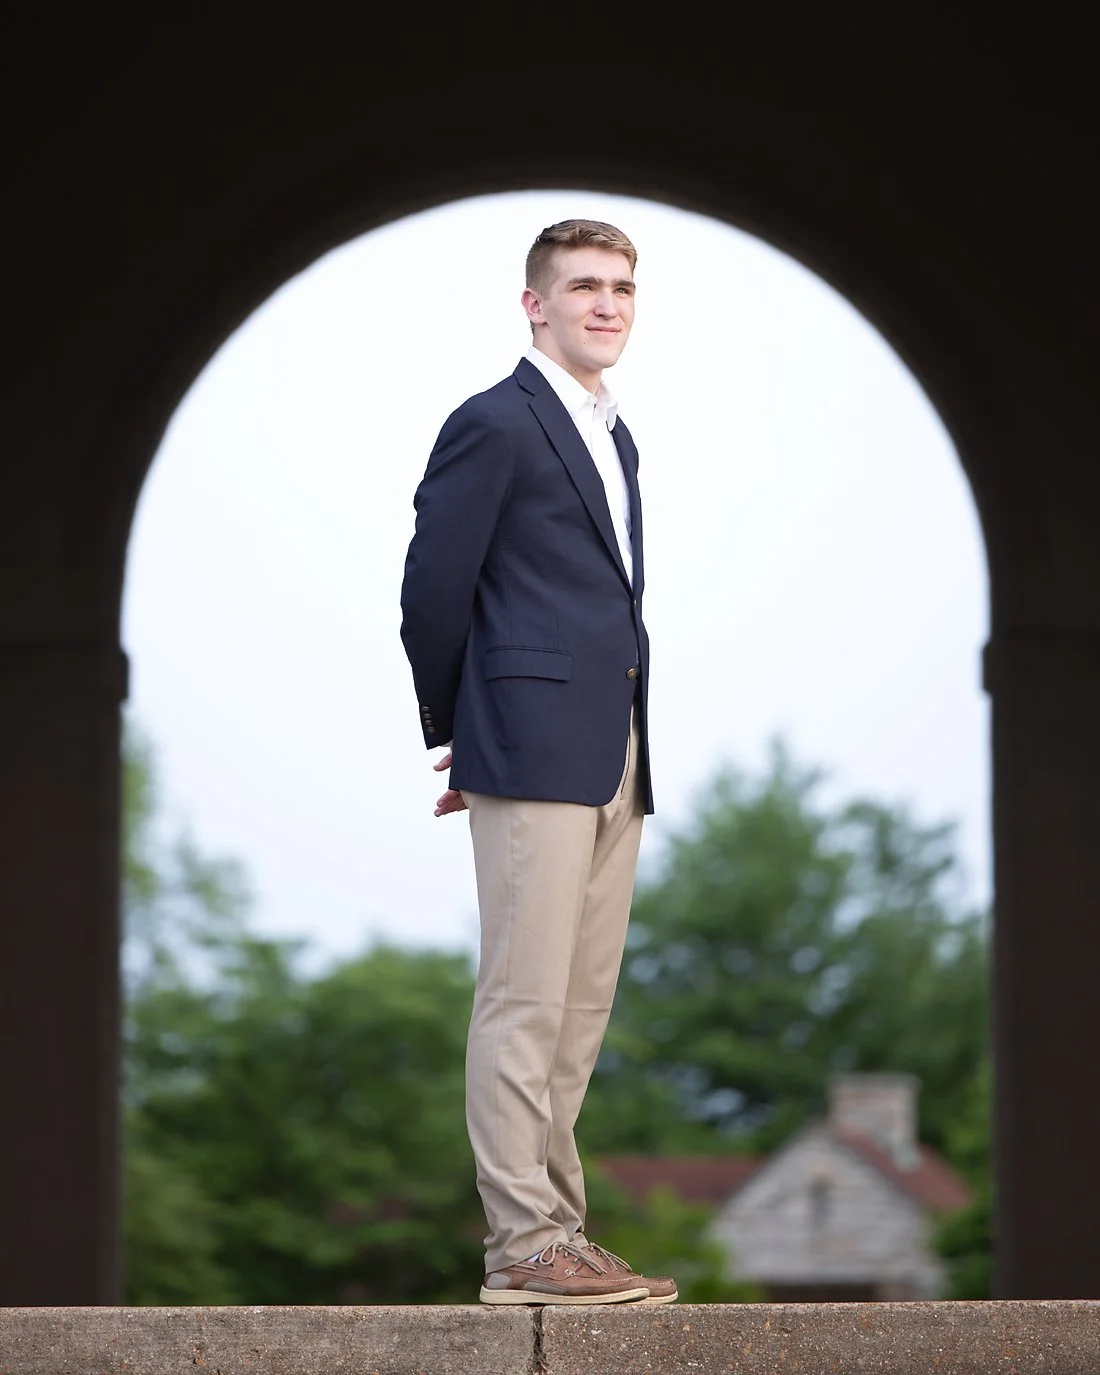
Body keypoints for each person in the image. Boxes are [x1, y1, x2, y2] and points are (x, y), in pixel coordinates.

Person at [400, 219, 676, 1306]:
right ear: (534, 305)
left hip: (615, 745)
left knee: (577, 1005)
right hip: (523, 741)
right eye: (582, 287)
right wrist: (458, 730)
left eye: (620, 288)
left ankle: (558, 1228)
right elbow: (432, 590)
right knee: (522, 999)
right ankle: (520, 1244)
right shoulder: (494, 424)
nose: (605, 305)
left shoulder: (615, 434)